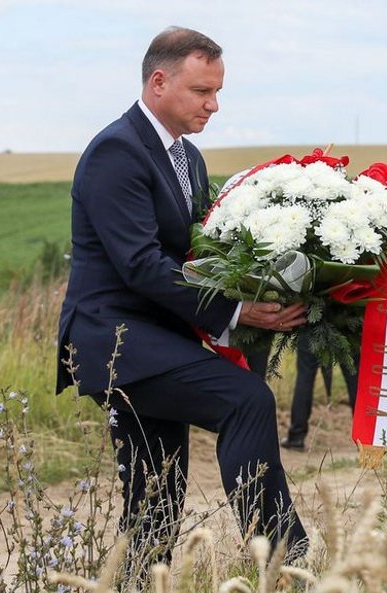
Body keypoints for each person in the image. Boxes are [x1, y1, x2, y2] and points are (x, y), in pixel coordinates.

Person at [55, 27, 309, 573]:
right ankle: (284, 561)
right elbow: (141, 265)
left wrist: (270, 281)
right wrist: (236, 312)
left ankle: (139, 583)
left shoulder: (187, 157)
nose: (214, 105)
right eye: (201, 92)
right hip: (115, 339)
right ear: (159, 81)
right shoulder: (116, 152)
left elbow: (200, 251)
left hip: (159, 338)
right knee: (246, 400)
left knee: (157, 496)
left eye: (217, 92)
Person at [281, 335, 359, 451]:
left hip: (311, 327)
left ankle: (296, 437)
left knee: (305, 376)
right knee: (354, 376)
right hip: (345, 325)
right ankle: (365, 437)